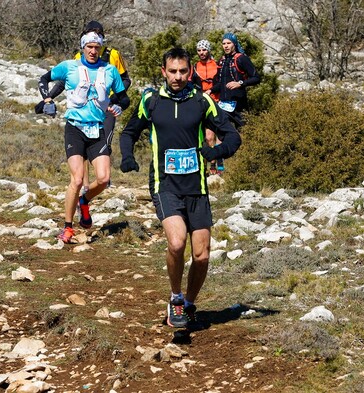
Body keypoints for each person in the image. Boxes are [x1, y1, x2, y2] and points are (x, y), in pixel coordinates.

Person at [120, 48, 241, 329]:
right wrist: (127, 156)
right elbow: (130, 132)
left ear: (190, 72)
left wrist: (217, 152)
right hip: (165, 185)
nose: (177, 77)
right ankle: (175, 297)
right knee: (176, 243)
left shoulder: (202, 101)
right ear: (163, 72)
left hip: (196, 188)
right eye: (172, 71)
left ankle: (188, 303)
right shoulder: (150, 101)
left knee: (202, 255)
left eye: (183, 71)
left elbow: (233, 135)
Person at [38, 30, 129, 244]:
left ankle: (84, 201)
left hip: (97, 129)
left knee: (104, 179)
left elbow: (124, 98)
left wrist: (118, 106)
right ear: (83, 47)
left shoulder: (110, 70)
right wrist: (48, 99)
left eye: (97, 47)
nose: (93, 51)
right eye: (89, 47)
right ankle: (68, 227)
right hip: (75, 129)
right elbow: (43, 79)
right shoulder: (70, 66)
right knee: (77, 179)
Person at [211, 32, 261, 129]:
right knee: (222, 133)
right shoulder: (221, 61)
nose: (226, 46)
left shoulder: (241, 59)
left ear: (234, 44)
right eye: (224, 44)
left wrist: (240, 83)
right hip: (223, 105)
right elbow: (221, 83)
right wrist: (211, 90)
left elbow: (256, 78)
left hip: (239, 105)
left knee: (244, 132)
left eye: (228, 43)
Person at [191, 39, 223, 175]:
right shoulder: (195, 66)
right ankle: (203, 165)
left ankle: (215, 163)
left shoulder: (216, 65)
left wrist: (211, 90)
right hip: (200, 103)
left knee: (213, 136)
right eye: (199, 50)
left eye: (204, 50)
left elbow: (222, 82)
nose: (201, 53)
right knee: (203, 137)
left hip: (215, 101)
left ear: (208, 50)